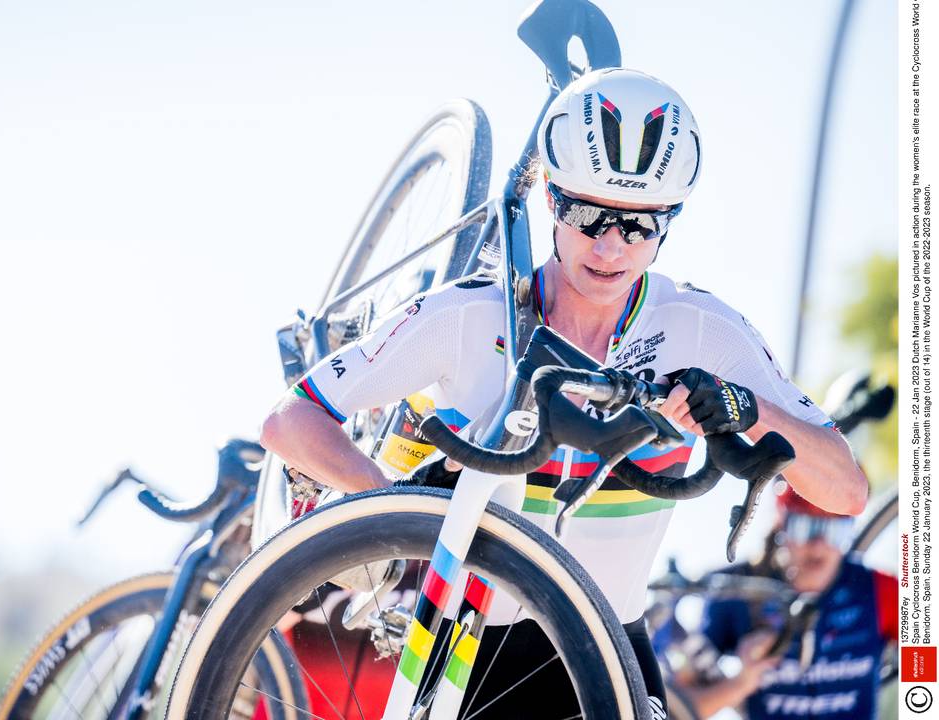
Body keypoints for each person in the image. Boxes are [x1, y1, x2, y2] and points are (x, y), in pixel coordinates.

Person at [260, 67, 868, 718]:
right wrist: (389, 513)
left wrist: (749, 410)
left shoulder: (701, 329)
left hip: (611, 643)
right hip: (468, 651)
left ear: (671, 222)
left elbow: (846, 489)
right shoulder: (468, 315)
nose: (610, 245)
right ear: (552, 196)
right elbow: (291, 421)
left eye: (639, 226)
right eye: (588, 214)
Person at [679, 485, 897, 719]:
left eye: (835, 530)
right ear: (782, 526)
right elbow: (676, 708)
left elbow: (930, 665)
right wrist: (741, 683)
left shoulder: (880, 589)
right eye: (807, 528)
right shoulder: (735, 591)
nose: (819, 545)